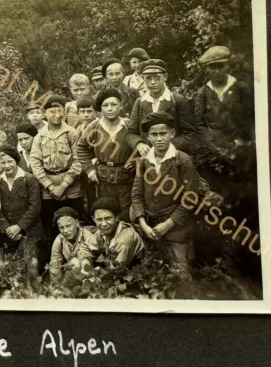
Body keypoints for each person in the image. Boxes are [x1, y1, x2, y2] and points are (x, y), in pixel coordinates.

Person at [130, 111, 200, 273]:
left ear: (172, 133)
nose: (159, 138)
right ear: (148, 137)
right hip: (149, 228)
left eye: (163, 133)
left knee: (180, 272)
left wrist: (168, 224)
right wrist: (143, 224)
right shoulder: (144, 161)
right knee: (148, 272)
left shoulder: (182, 160)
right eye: (154, 134)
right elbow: (137, 194)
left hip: (176, 229)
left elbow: (190, 198)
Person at [30, 94, 84, 242]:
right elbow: (35, 163)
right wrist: (50, 186)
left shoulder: (72, 133)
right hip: (48, 188)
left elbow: (78, 160)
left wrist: (64, 184)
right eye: (52, 112)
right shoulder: (39, 137)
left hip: (72, 187)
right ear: (44, 114)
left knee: (76, 222)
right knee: (51, 225)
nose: (57, 115)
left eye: (60, 111)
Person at [75, 88, 135, 222]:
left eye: (113, 105)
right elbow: (81, 148)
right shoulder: (95, 126)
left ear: (121, 106)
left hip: (126, 179)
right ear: (100, 109)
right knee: (106, 213)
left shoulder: (129, 125)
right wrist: (90, 170)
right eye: (105, 105)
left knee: (126, 213)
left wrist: (136, 161)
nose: (110, 109)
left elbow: (143, 146)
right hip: (103, 180)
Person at [126, 59, 198, 156]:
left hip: (172, 157)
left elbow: (190, 134)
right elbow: (131, 133)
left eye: (157, 78)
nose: (152, 82)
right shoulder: (139, 102)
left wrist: (168, 146)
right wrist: (139, 144)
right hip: (147, 159)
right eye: (148, 78)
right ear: (143, 78)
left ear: (165, 77)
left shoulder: (178, 100)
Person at [193, 46, 254, 156]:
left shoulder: (240, 88)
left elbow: (251, 118)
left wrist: (242, 138)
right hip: (213, 150)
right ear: (207, 69)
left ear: (227, 66)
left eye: (220, 66)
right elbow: (199, 124)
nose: (217, 71)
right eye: (212, 67)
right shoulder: (203, 93)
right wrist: (212, 144)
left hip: (242, 148)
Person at [0, 145, 42, 275]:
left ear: (16, 160)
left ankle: (34, 292)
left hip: (29, 231)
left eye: (10, 161)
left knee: (32, 264)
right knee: (7, 267)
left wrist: (19, 227)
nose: (7, 165)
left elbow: (35, 207)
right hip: (6, 233)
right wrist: (7, 228)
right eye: (2, 162)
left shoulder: (29, 179)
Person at [87, 197, 144, 268]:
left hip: (134, 273)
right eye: (99, 219)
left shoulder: (124, 239)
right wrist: (85, 262)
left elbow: (117, 270)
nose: (104, 224)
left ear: (117, 217)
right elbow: (87, 248)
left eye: (108, 218)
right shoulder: (104, 230)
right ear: (93, 219)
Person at [48, 207, 94, 282]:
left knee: (77, 261)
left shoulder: (87, 236)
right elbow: (55, 264)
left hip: (88, 274)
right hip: (70, 274)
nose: (65, 231)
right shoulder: (59, 240)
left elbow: (97, 261)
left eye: (68, 226)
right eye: (61, 227)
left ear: (77, 223)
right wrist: (55, 284)